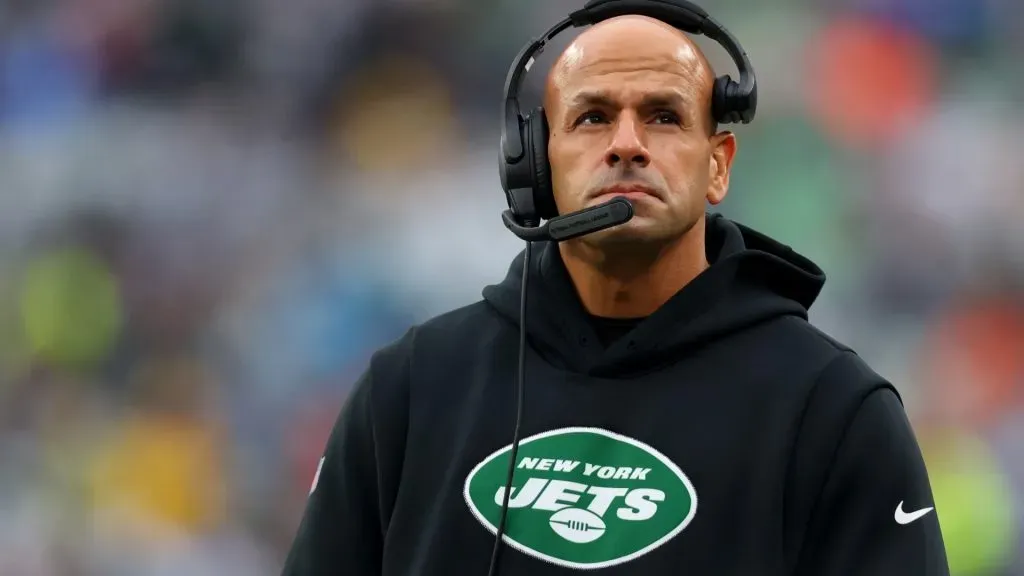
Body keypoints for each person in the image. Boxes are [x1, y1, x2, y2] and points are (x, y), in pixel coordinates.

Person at [281, 10, 950, 576]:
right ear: (535, 164)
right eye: (593, 117)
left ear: (717, 164)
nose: (627, 145)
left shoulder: (832, 410)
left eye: (662, 116)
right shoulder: (410, 388)